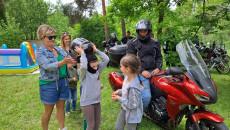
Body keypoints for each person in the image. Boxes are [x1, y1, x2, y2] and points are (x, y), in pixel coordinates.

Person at [35, 24, 75, 130]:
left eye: (54, 37)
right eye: (50, 37)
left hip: (63, 82)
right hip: (49, 84)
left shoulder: (58, 49)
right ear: (43, 38)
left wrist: (74, 59)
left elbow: (69, 59)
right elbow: (48, 67)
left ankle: (62, 128)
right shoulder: (40, 52)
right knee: (49, 110)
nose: (53, 39)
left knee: (61, 107)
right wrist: (64, 62)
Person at [126, 19, 163, 111]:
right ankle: (140, 112)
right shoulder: (132, 43)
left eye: (145, 31)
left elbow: (159, 57)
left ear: (149, 31)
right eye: (140, 31)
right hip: (138, 72)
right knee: (146, 97)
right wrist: (141, 71)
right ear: (137, 31)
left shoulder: (155, 42)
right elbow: (130, 60)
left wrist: (158, 68)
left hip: (154, 71)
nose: (142, 33)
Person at [74, 42, 109, 130]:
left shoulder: (97, 70)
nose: (96, 67)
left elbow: (106, 59)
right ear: (88, 64)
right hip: (87, 102)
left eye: (97, 64)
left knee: (97, 123)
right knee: (91, 125)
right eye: (93, 65)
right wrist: (82, 54)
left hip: (97, 101)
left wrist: (96, 50)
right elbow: (84, 67)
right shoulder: (84, 74)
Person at [112, 54, 144, 130]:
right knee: (118, 128)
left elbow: (133, 104)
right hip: (124, 108)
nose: (120, 68)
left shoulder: (133, 87)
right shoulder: (127, 77)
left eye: (121, 66)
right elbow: (126, 90)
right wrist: (119, 91)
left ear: (128, 69)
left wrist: (119, 99)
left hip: (132, 114)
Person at [60, 32, 79, 116]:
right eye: (66, 39)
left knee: (73, 86)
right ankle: (65, 105)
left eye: (69, 39)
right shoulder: (61, 49)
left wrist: (77, 68)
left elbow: (76, 59)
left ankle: (72, 106)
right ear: (63, 40)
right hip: (65, 68)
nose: (68, 40)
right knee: (66, 87)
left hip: (73, 68)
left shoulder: (72, 48)